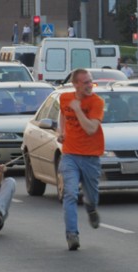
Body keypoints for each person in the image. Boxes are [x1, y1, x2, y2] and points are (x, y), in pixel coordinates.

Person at [58, 69, 104, 251]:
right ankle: (72, 234)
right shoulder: (64, 98)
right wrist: (61, 132)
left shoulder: (97, 102)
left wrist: (78, 110)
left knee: (92, 196)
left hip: (91, 157)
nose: (89, 85)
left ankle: (91, 207)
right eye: (85, 82)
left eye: (90, 81)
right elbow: (62, 114)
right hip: (70, 155)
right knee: (69, 193)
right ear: (75, 84)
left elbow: (91, 128)